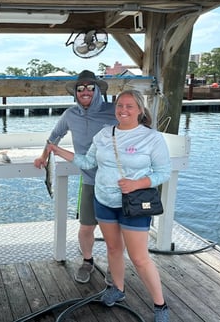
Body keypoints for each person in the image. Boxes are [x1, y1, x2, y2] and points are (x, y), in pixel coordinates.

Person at [48, 90, 171, 322]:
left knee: (139, 258)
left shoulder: (152, 138)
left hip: (133, 205)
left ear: (140, 110)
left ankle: (160, 305)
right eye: (120, 106)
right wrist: (57, 150)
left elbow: (163, 172)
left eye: (129, 106)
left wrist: (138, 183)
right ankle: (118, 289)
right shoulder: (104, 134)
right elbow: (88, 161)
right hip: (103, 200)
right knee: (114, 249)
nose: (123, 110)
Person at [34, 70, 117, 284]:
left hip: (116, 181)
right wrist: (43, 157)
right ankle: (87, 261)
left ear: (98, 90)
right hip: (89, 180)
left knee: (114, 230)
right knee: (86, 227)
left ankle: (114, 266)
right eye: (80, 88)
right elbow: (53, 138)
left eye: (90, 87)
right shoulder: (70, 115)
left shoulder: (114, 110)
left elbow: (138, 128)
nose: (85, 91)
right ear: (75, 94)